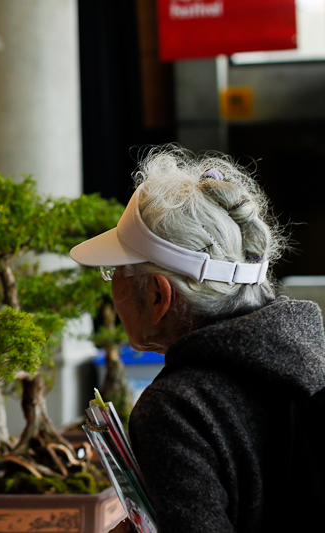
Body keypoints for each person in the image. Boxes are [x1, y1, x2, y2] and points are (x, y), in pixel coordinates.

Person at [70, 145, 325, 533]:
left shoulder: (177, 409)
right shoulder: (314, 357)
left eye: (113, 271)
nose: (110, 285)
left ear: (158, 294)